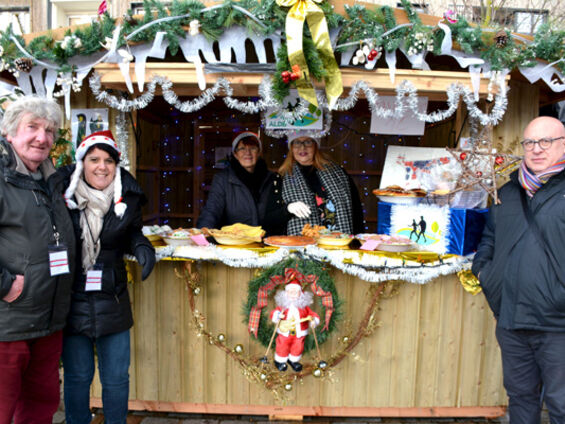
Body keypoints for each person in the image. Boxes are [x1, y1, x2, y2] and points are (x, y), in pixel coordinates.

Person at [58, 130, 156, 424]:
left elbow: (132, 232)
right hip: (72, 298)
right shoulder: (61, 195)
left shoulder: (129, 198)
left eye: (109, 160)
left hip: (112, 297)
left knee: (115, 378)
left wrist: (141, 245)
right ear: (82, 162)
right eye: (94, 159)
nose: (102, 166)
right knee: (77, 376)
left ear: (117, 164)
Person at [472, 116, 565, 423]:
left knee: (561, 403)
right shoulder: (507, 192)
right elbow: (489, 238)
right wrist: (484, 272)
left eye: (546, 142)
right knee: (520, 399)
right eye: (530, 143)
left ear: (563, 145)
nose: (536, 149)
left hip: (558, 323)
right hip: (511, 318)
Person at [0, 96, 76, 423]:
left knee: (39, 405)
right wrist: (5, 285)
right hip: (9, 322)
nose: (42, 138)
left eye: (49, 130)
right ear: (9, 133)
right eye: (32, 127)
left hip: (48, 321)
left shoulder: (50, 180)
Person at [196, 132, 290, 236]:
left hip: (266, 242)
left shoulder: (273, 178)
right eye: (242, 149)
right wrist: (202, 234)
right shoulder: (222, 179)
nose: (247, 153)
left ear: (259, 152)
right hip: (234, 242)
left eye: (252, 148)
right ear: (235, 154)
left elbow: (279, 213)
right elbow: (211, 210)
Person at [278, 130, 364, 235]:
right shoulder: (281, 177)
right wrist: (288, 209)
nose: (302, 147)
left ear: (316, 145)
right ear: (291, 147)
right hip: (300, 243)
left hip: (337, 242)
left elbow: (356, 209)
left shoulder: (338, 174)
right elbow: (272, 215)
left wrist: (358, 239)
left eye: (308, 142)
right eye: (297, 142)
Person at [270, 271, 319, 372]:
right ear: (285, 293)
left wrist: (314, 320)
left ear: (300, 294)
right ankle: (280, 361)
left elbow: (312, 314)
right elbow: (275, 312)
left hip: (299, 333)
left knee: (298, 346)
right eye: (290, 292)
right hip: (285, 332)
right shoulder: (283, 306)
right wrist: (277, 316)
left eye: (295, 292)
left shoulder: (303, 307)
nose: (292, 294)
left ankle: (293, 360)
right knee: (282, 345)